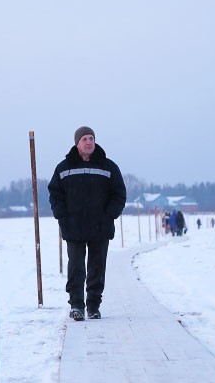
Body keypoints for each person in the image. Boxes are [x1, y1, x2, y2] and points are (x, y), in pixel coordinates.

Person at [48, 126, 127, 321]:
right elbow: (54, 194)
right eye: (84, 139)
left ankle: (93, 306)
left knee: (97, 268)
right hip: (73, 227)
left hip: (100, 227)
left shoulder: (108, 167)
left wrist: (109, 215)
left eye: (91, 138)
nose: (89, 142)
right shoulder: (64, 168)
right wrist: (62, 217)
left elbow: (119, 194)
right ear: (77, 143)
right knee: (76, 267)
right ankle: (76, 305)